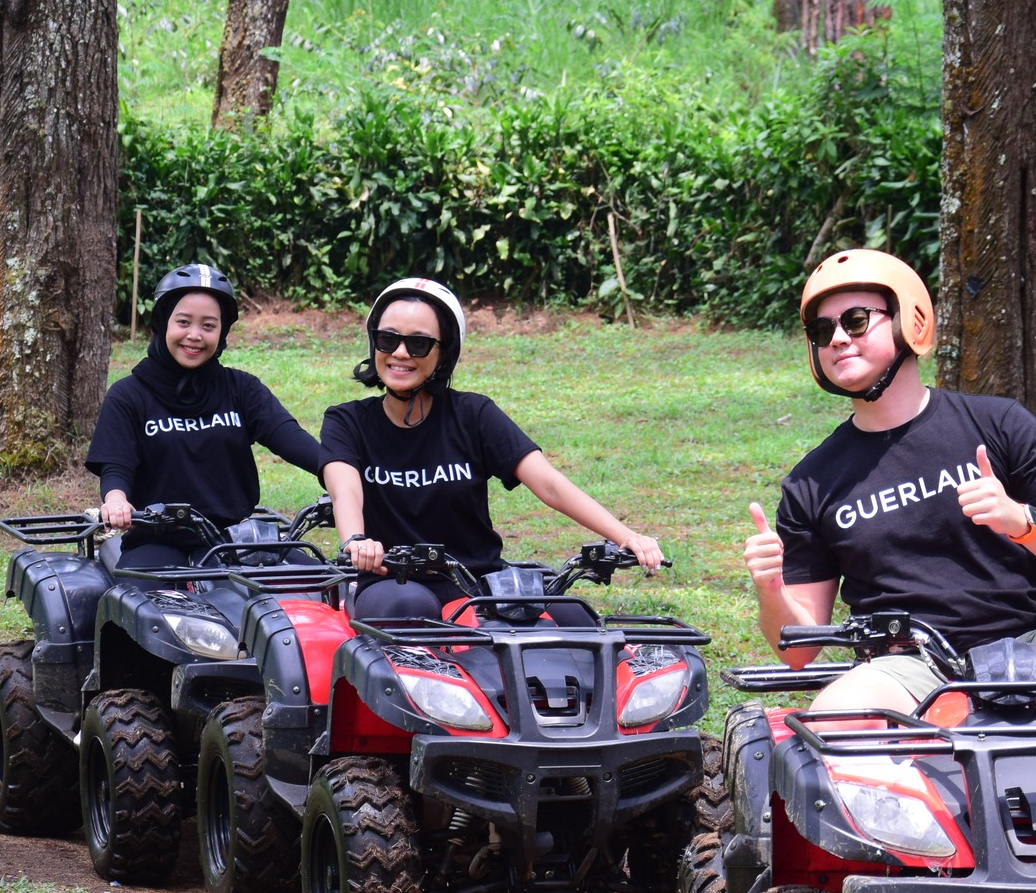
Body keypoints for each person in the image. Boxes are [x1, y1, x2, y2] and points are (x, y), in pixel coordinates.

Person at [743, 249, 1036, 711]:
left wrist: (1022, 520)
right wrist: (770, 589)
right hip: (900, 662)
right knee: (834, 723)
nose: (838, 338)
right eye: (823, 330)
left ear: (909, 320)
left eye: (856, 320)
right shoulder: (811, 484)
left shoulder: (999, 424)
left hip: (1031, 643)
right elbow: (799, 649)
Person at [321, 277, 664, 624]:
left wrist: (626, 536)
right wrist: (356, 539)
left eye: (419, 344)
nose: (400, 353)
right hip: (392, 582)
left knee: (578, 620)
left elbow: (548, 483)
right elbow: (345, 489)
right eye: (388, 339)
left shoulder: (474, 415)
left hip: (478, 582)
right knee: (411, 610)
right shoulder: (347, 421)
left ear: (444, 352)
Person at [84, 264, 325, 570]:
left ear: (222, 331)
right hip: (156, 541)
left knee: (315, 584)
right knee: (145, 607)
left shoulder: (241, 389)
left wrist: (341, 475)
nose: (194, 336)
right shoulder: (129, 395)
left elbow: (291, 439)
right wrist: (116, 500)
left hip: (233, 539)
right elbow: (116, 467)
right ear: (163, 323)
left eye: (208, 326)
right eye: (183, 322)